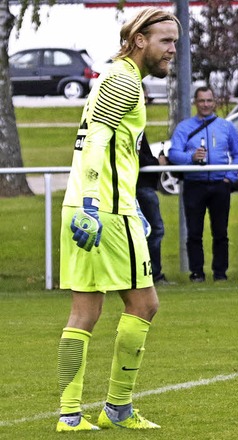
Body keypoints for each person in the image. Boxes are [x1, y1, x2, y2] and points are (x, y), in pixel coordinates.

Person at [56, 8, 179, 432]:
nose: (172, 51)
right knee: (144, 305)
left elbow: (107, 148)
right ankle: (117, 409)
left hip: (86, 205)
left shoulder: (113, 75)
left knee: (84, 313)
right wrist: (95, 203)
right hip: (103, 209)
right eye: (166, 41)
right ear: (140, 40)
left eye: (175, 42)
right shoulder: (125, 80)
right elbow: (96, 143)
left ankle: (69, 417)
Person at [168, 86, 238, 282]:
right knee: (194, 232)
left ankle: (220, 273)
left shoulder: (226, 127)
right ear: (195, 102)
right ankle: (197, 273)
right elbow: (174, 154)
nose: (205, 105)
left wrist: (230, 177)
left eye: (209, 101)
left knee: (221, 232)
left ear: (214, 102)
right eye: (201, 101)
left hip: (220, 185)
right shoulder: (184, 127)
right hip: (194, 185)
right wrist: (191, 157)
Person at [137, 133, 171, 285]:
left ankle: (146, 274)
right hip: (140, 187)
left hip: (139, 187)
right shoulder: (130, 126)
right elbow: (135, 157)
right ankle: (153, 275)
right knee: (153, 230)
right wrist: (157, 162)